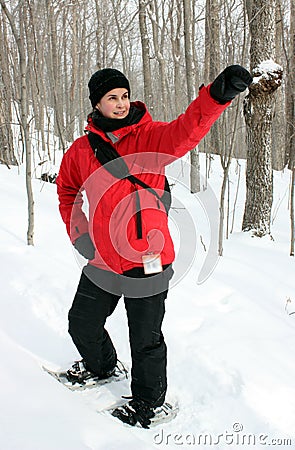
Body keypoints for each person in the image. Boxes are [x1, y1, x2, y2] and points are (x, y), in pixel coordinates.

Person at [56, 65, 252, 428]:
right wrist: (80, 234)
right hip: (102, 259)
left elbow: (187, 130)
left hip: (147, 258)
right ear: (96, 103)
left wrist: (216, 97)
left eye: (124, 96)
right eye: (112, 97)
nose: (120, 103)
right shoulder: (81, 150)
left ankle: (150, 403)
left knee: (144, 339)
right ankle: (102, 368)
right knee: (81, 323)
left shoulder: (150, 137)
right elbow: (68, 191)